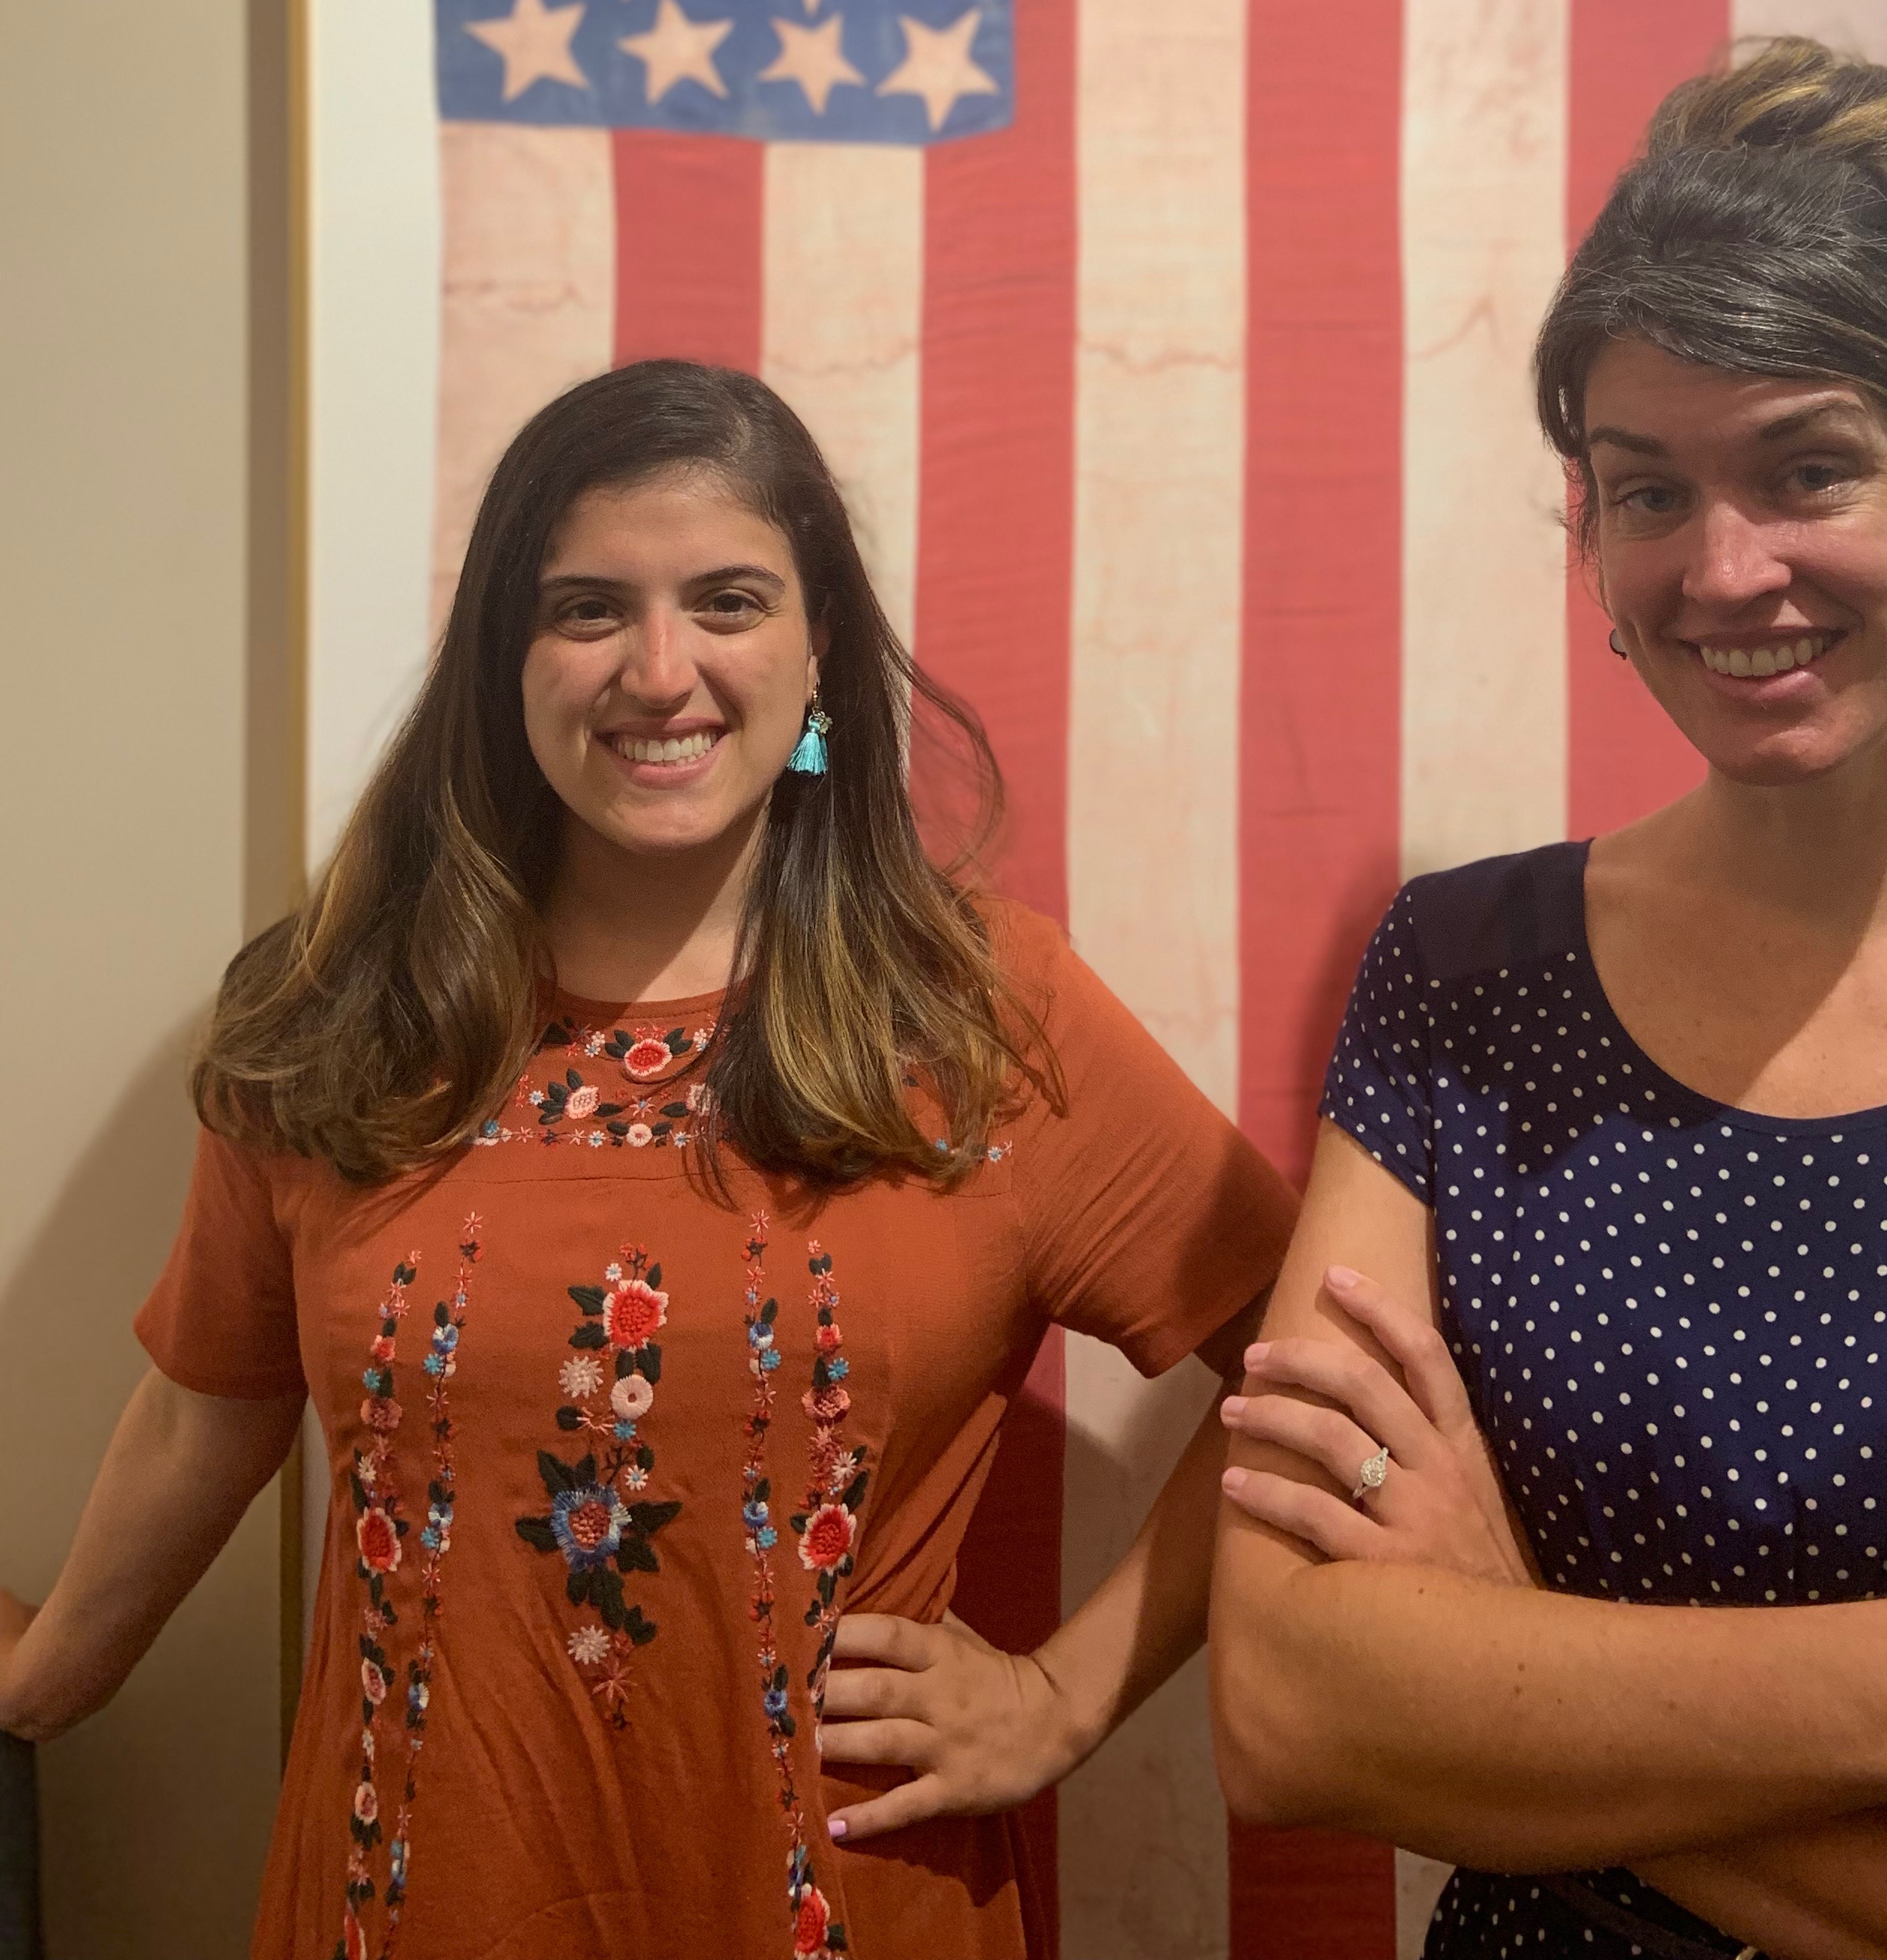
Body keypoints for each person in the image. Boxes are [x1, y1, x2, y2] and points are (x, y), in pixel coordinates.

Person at [0, 360, 1295, 1960]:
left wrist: (1063, 1697)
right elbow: (214, 1400)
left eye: (729, 600)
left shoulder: (982, 1020)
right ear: (505, 658)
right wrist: (42, 1683)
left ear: (819, 645)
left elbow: (1307, 1362)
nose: (660, 670)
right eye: (589, 608)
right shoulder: (343, 1010)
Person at [1210, 41, 1887, 1959]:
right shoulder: (1460, 980)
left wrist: (1515, 1674)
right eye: (1647, 494)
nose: (1725, 570)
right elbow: (1289, 1713)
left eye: (1810, 468)